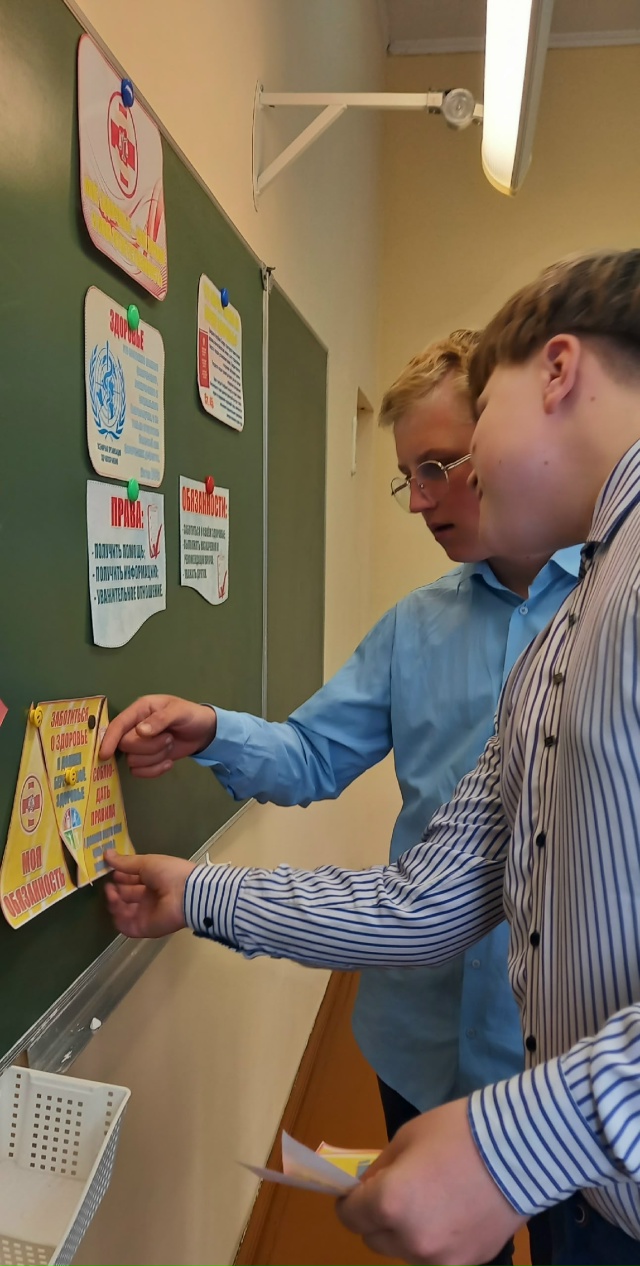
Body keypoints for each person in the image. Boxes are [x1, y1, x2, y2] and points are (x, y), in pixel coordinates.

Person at [102, 330, 580, 1266]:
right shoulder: (416, 627)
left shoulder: (605, 617)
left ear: (505, 434)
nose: (424, 500)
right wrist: (212, 728)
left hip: (565, 1057)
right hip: (418, 1036)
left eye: (441, 465)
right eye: (408, 477)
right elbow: (316, 754)